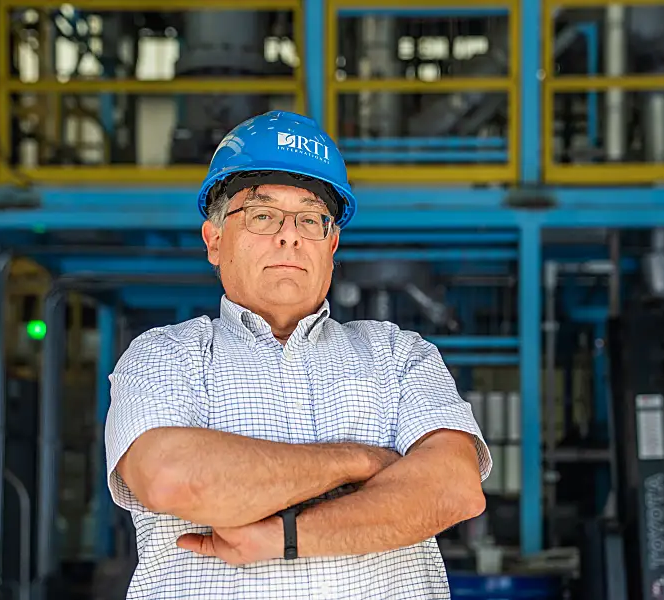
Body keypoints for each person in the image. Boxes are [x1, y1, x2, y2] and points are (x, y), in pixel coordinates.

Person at [105, 111, 493, 600]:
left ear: (332, 244)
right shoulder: (164, 356)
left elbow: (453, 488)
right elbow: (173, 478)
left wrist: (282, 538)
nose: (289, 236)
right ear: (214, 239)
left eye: (310, 219)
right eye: (263, 215)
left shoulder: (399, 354)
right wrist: (359, 460)